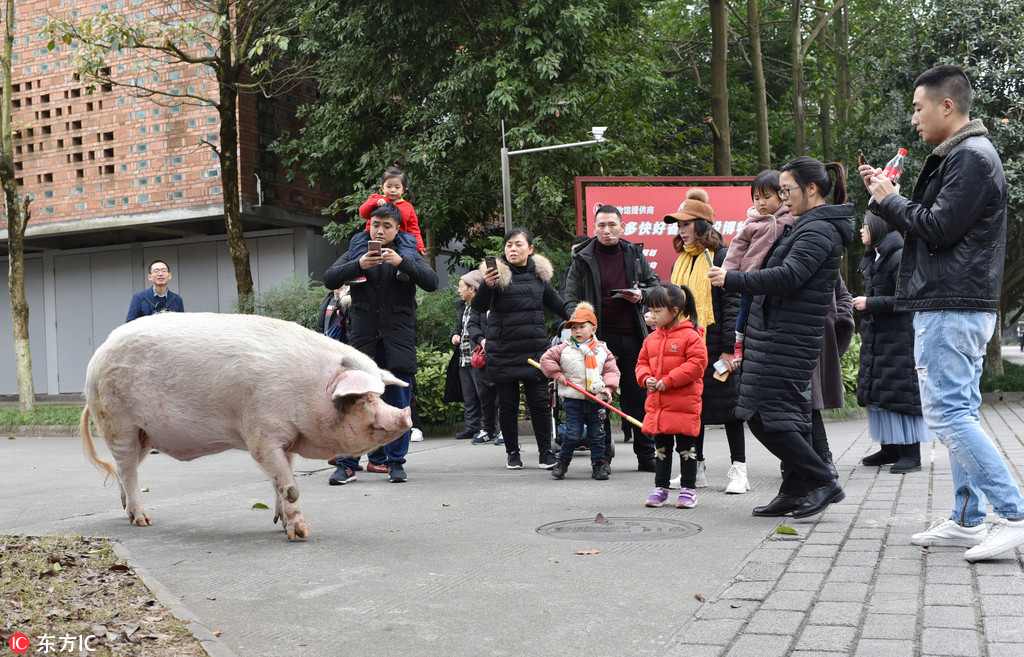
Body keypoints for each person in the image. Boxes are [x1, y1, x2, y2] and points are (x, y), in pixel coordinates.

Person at [859, 64, 1024, 561]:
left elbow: (939, 227)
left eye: (917, 107)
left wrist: (890, 200)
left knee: (948, 414)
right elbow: (936, 224)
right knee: (960, 411)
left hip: (951, 303)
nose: (913, 119)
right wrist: (888, 198)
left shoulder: (972, 157)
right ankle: (968, 520)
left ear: (946, 106)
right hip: (953, 301)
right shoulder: (963, 155)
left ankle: (1014, 514)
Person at [709, 156, 854, 519]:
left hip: (788, 337)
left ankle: (821, 480)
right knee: (783, 417)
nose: (782, 197)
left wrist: (733, 280)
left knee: (763, 416)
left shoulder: (818, 230)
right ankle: (794, 488)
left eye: (787, 190)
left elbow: (788, 276)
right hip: (776, 333)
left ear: (812, 189)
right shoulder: (807, 225)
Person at [323, 203, 438, 484]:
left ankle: (395, 463)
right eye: (376, 224)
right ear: (369, 226)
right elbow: (328, 279)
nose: (380, 230)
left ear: (397, 229)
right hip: (362, 339)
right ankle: (348, 463)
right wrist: (358, 265)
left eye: (387, 225)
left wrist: (401, 263)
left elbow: (432, 282)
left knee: (399, 403)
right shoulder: (357, 250)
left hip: (398, 340)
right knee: (355, 402)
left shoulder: (408, 251)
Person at [563, 205, 661, 471]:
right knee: (599, 400)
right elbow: (569, 298)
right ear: (594, 229)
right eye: (602, 226)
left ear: (622, 227)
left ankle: (646, 455)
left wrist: (642, 296)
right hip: (598, 342)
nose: (607, 231)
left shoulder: (634, 254)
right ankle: (601, 458)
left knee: (639, 396)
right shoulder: (583, 258)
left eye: (612, 225)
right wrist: (583, 319)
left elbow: (655, 285)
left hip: (633, 336)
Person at [664, 188, 748, 494]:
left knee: (730, 410)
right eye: (679, 226)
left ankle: (739, 470)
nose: (681, 231)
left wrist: (729, 348)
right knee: (692, 408)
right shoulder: (680, 262)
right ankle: (695, 469)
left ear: (702, 225)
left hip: (716, 345)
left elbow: (732, 305)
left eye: (686, 224)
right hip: (687, 346)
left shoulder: (722, 257)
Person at [472, 228, 565, 470]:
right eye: (509, 245)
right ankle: (512, 452)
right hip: (503, 351)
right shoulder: (496, 276)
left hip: (534, 351)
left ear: (530, 249)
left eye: (518, 244)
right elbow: (479, 307)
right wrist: (486, 285)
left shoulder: (539, 276)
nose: (512, 249)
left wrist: (581, 319)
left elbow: (557, 304)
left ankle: (546, 452)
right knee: (508, 405)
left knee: (540, 403)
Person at [853, 213, 933, 474]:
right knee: (882, 392)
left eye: (865, 225)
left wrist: (869, 303)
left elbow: (907, 298)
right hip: (881, 335)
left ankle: (911, 454)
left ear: (877, 227)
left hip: (900, 337)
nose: (861, 230)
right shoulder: (876, 256)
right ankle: (890, 448)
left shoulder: (899, 255)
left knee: (902, 392)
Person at [636, 284, 708, 508]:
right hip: (659, 405)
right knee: (661, 448)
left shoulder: (691, 336)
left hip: (684, 404)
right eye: (650, 311)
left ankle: (688, 489)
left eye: (657, 311)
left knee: (687, 447)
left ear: (674, 311)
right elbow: (642, 363)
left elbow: (696, 365)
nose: (652, 316)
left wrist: (669, 380)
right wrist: (645, 377)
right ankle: (661, 488)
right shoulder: (651, 339)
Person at [539, 301, 620, 480]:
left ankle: (598, 466)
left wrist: (608, 388)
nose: (577, 331)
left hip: (596, 400)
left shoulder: (602, 350)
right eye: (573, 327)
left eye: (582, 327)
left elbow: (611, 371)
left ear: (593, 329)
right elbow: (546, 359)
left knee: (597, 435)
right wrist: (557, 375)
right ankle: (563, 463)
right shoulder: (564, 348)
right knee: (572, 433)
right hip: (573, 400)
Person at [722, 170, 797, 363]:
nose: (761, 203)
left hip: (777, 278)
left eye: (766, 197)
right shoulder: (751, 223)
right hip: (751, 278)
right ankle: (739, 343)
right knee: (744, 310)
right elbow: (736, 249)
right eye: (756, 198)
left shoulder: (792, 219)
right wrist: (727, 273)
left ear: (782, 196)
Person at [451, 271, 486, 441]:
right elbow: (459, 328)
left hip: (478, 358)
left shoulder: (482, 307)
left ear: (472, 289)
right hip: (463, 358)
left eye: (461, 287)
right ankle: (472, 427)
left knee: (484, 394)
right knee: (469, 396)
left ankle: (489, 427)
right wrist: (454, 335)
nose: (459, 290)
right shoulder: (462, 307)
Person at [359, 165, 425, 254]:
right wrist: (374, 203)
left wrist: (419, 247)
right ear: (382, 188)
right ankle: (357, 263)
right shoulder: (375, 198)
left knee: (408, 244)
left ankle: (405, 264)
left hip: (400, 236)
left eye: (397, 187)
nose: (392, 190)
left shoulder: (408, 207)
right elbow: (363, 213)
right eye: (389, 186)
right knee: (358, 240)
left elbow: (413, 228)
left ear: (403, 190)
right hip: (373, 235)